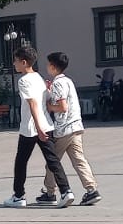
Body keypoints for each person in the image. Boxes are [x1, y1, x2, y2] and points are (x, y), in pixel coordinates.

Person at [3, 44, 73, 208]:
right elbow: (46, 100)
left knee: (21, 162)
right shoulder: (39, 78)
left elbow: (33, 104)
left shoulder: (24, 81)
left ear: (25, 62)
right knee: (53, 160)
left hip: (30, 128)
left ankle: (19, 196)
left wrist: (38, 128)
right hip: (47, 124)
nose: (14, 64)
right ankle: (66, 191)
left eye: (16, 61)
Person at [36, 52, 101, 206]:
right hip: (76, 126)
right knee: (79, 160)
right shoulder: (68, 81)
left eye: (48, 65)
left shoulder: (58, 83)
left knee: (52, 162)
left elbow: (62, 106)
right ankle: (92, 190)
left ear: (52, 66)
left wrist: (49, 106)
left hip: (64, 129)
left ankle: (50, 192)